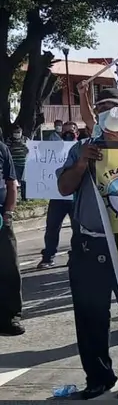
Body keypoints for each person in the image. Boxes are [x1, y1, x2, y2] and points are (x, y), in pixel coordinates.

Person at [56, 88, 118, 399]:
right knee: (89, 315)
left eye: (115, 108)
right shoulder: (83, 148)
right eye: (102, 108)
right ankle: (98, 377)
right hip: (89, 246)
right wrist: (82, 162)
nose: (109, 113)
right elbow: (65, 187)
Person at [37, 121, 80, 269]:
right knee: (52, 227)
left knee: (77, 228)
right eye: (65, 132)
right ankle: (48, 257)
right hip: (57, 196)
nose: (68, 134)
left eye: (71, 131)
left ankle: (76, 255)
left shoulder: (81, 149)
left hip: (75, 197)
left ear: (77, 133)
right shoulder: (52, 150)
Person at [0, 136, 21, 336]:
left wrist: (8, 213)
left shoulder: (2, 149)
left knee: (8, 268)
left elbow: (11, 183)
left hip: (0, 218)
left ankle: (10, 317)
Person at [7, 125, 28, 201]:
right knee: (14, 182)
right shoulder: (10, 140)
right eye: (15, 133)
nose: (16, 134)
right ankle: (13, 198)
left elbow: (30, 149)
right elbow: (7, 150)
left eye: (18, 132)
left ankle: (24, 197)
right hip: (14, 164)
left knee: (24, 182)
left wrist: (23, 145)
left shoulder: (25, 139)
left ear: (21, 132)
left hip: (24, 164)